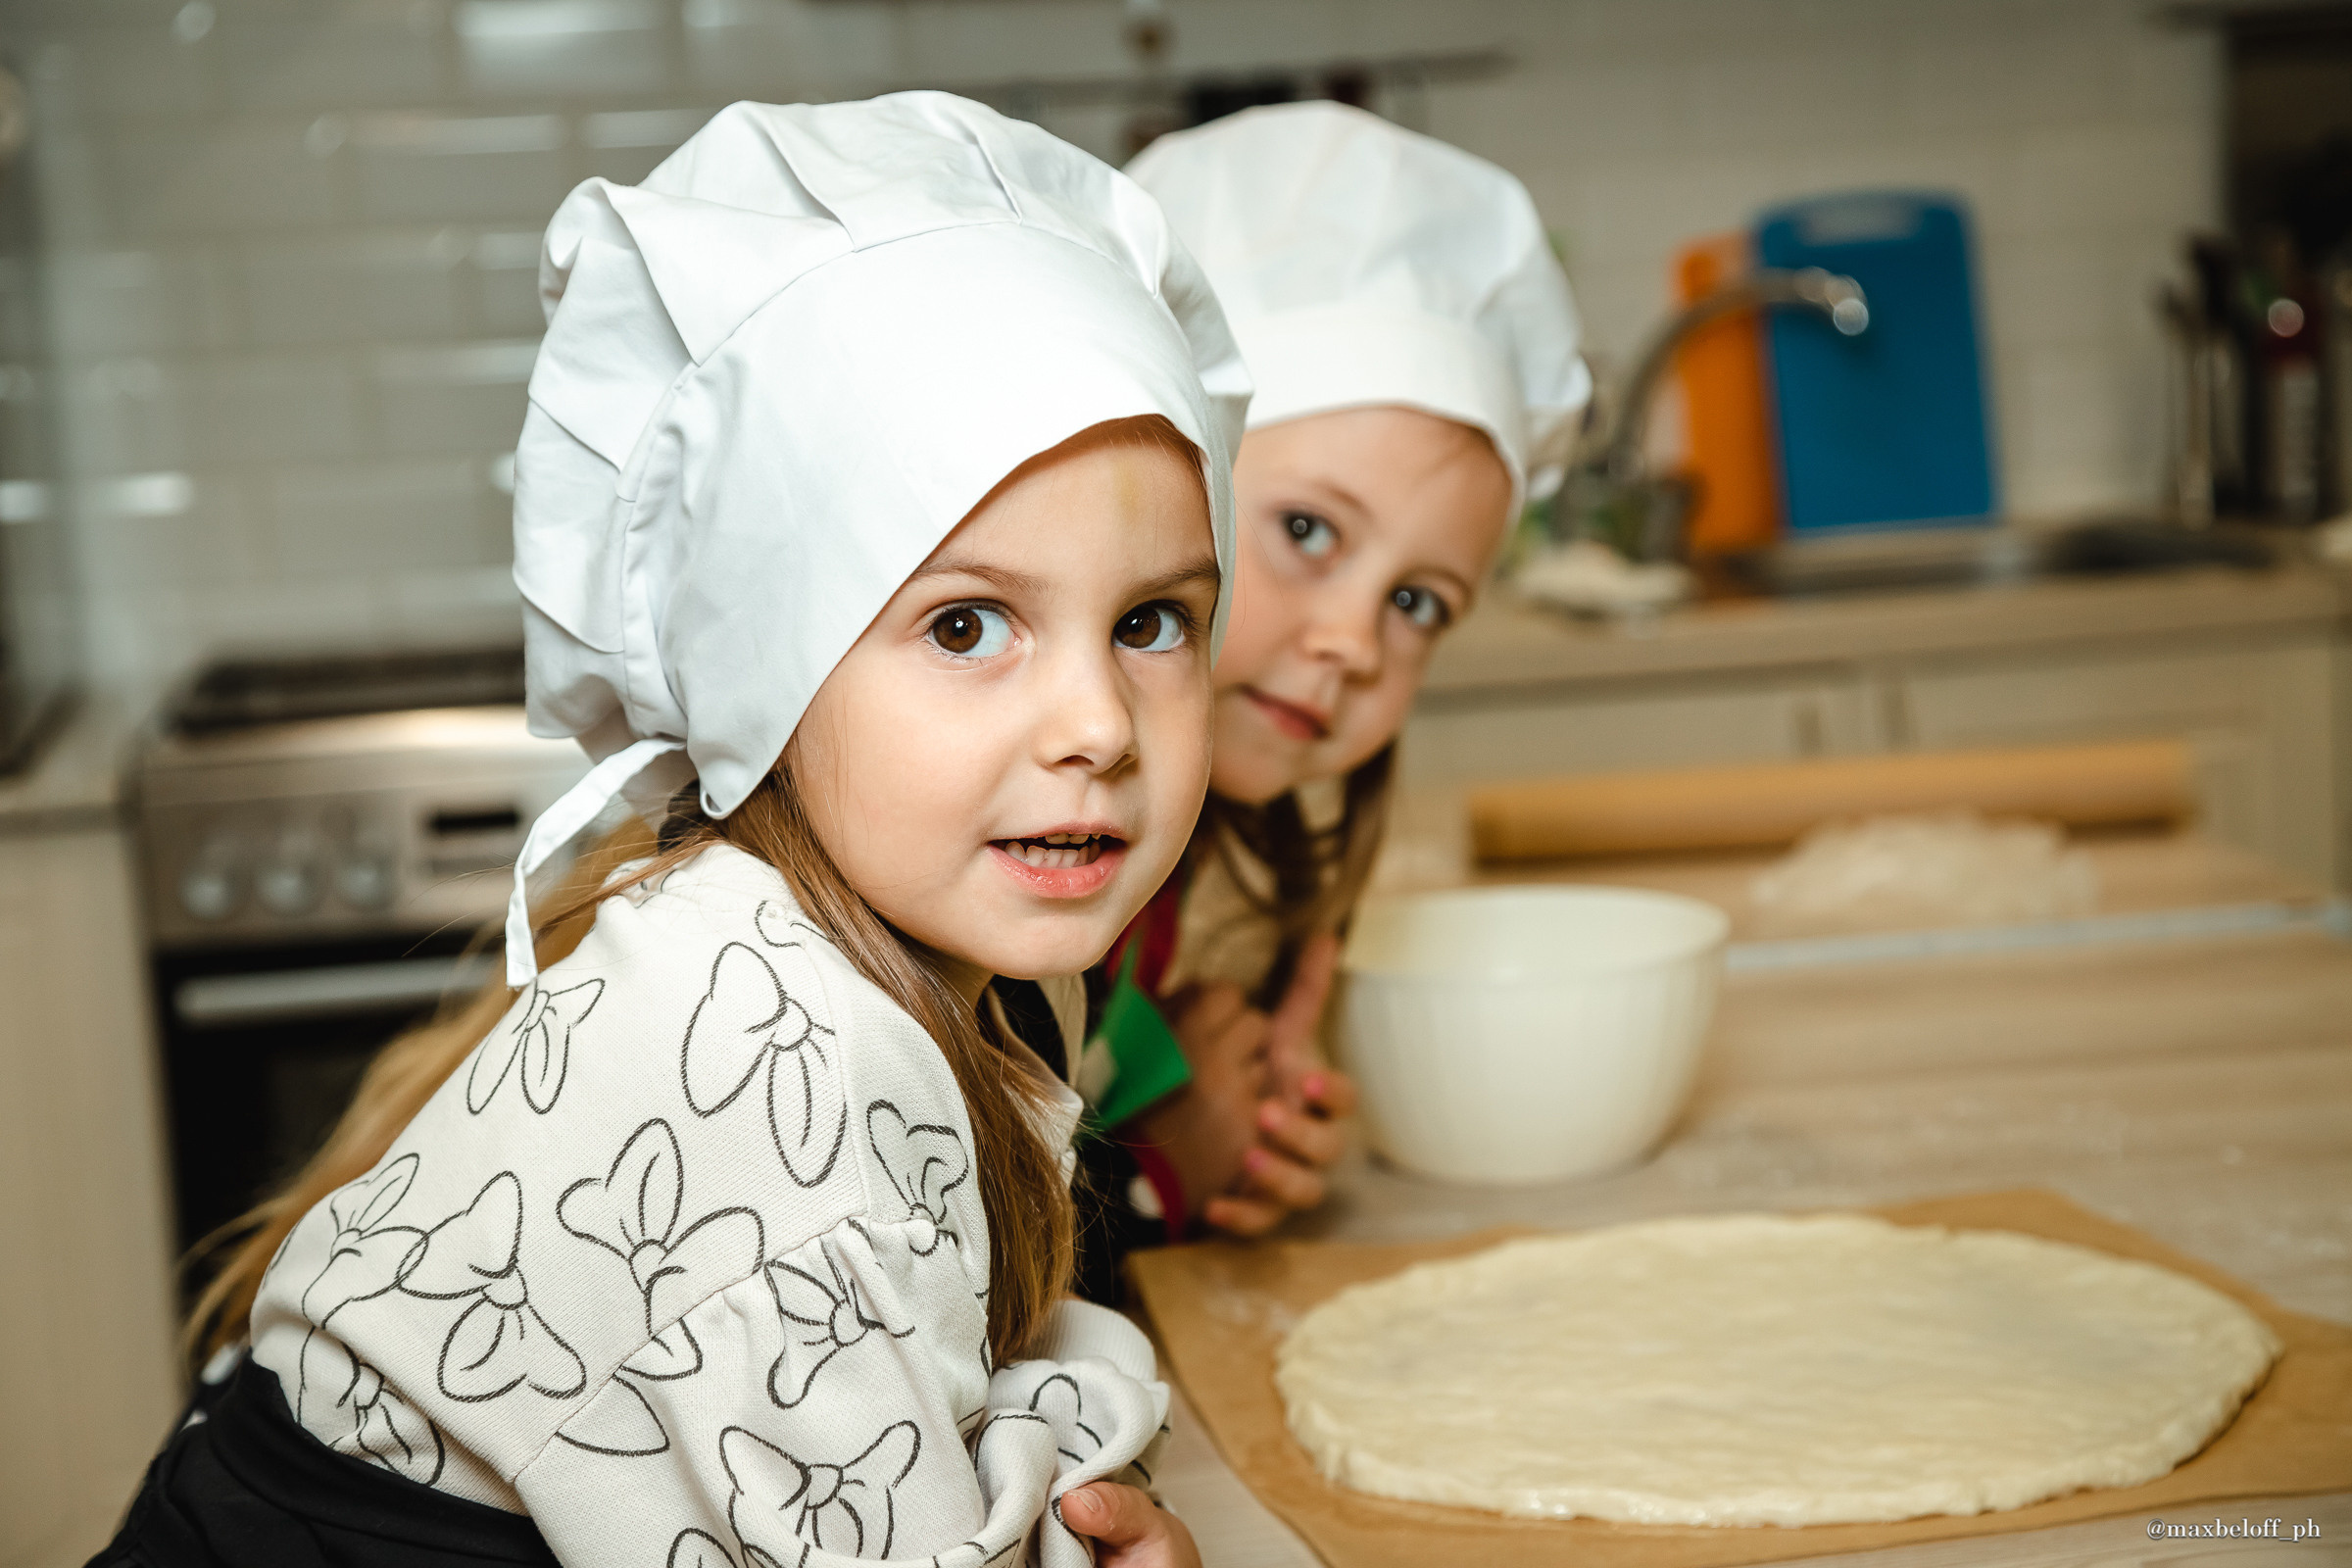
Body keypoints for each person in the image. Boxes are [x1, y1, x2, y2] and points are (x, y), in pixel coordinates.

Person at [93, 92, 1249, 1568]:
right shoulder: (783, 1077)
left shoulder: (918, 953)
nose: (1098, 721)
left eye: (1153, 620)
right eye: (967, 624)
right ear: (761, 669)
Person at [1068, 102, 1590, 1290]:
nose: (1355, 639)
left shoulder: (1150, 868)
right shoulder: (983, 861)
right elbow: (917, 1285)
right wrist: (1149, 1188)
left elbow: (1069, 1117)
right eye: (1308, 530)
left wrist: (1204, 1115)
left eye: (1418, 604)